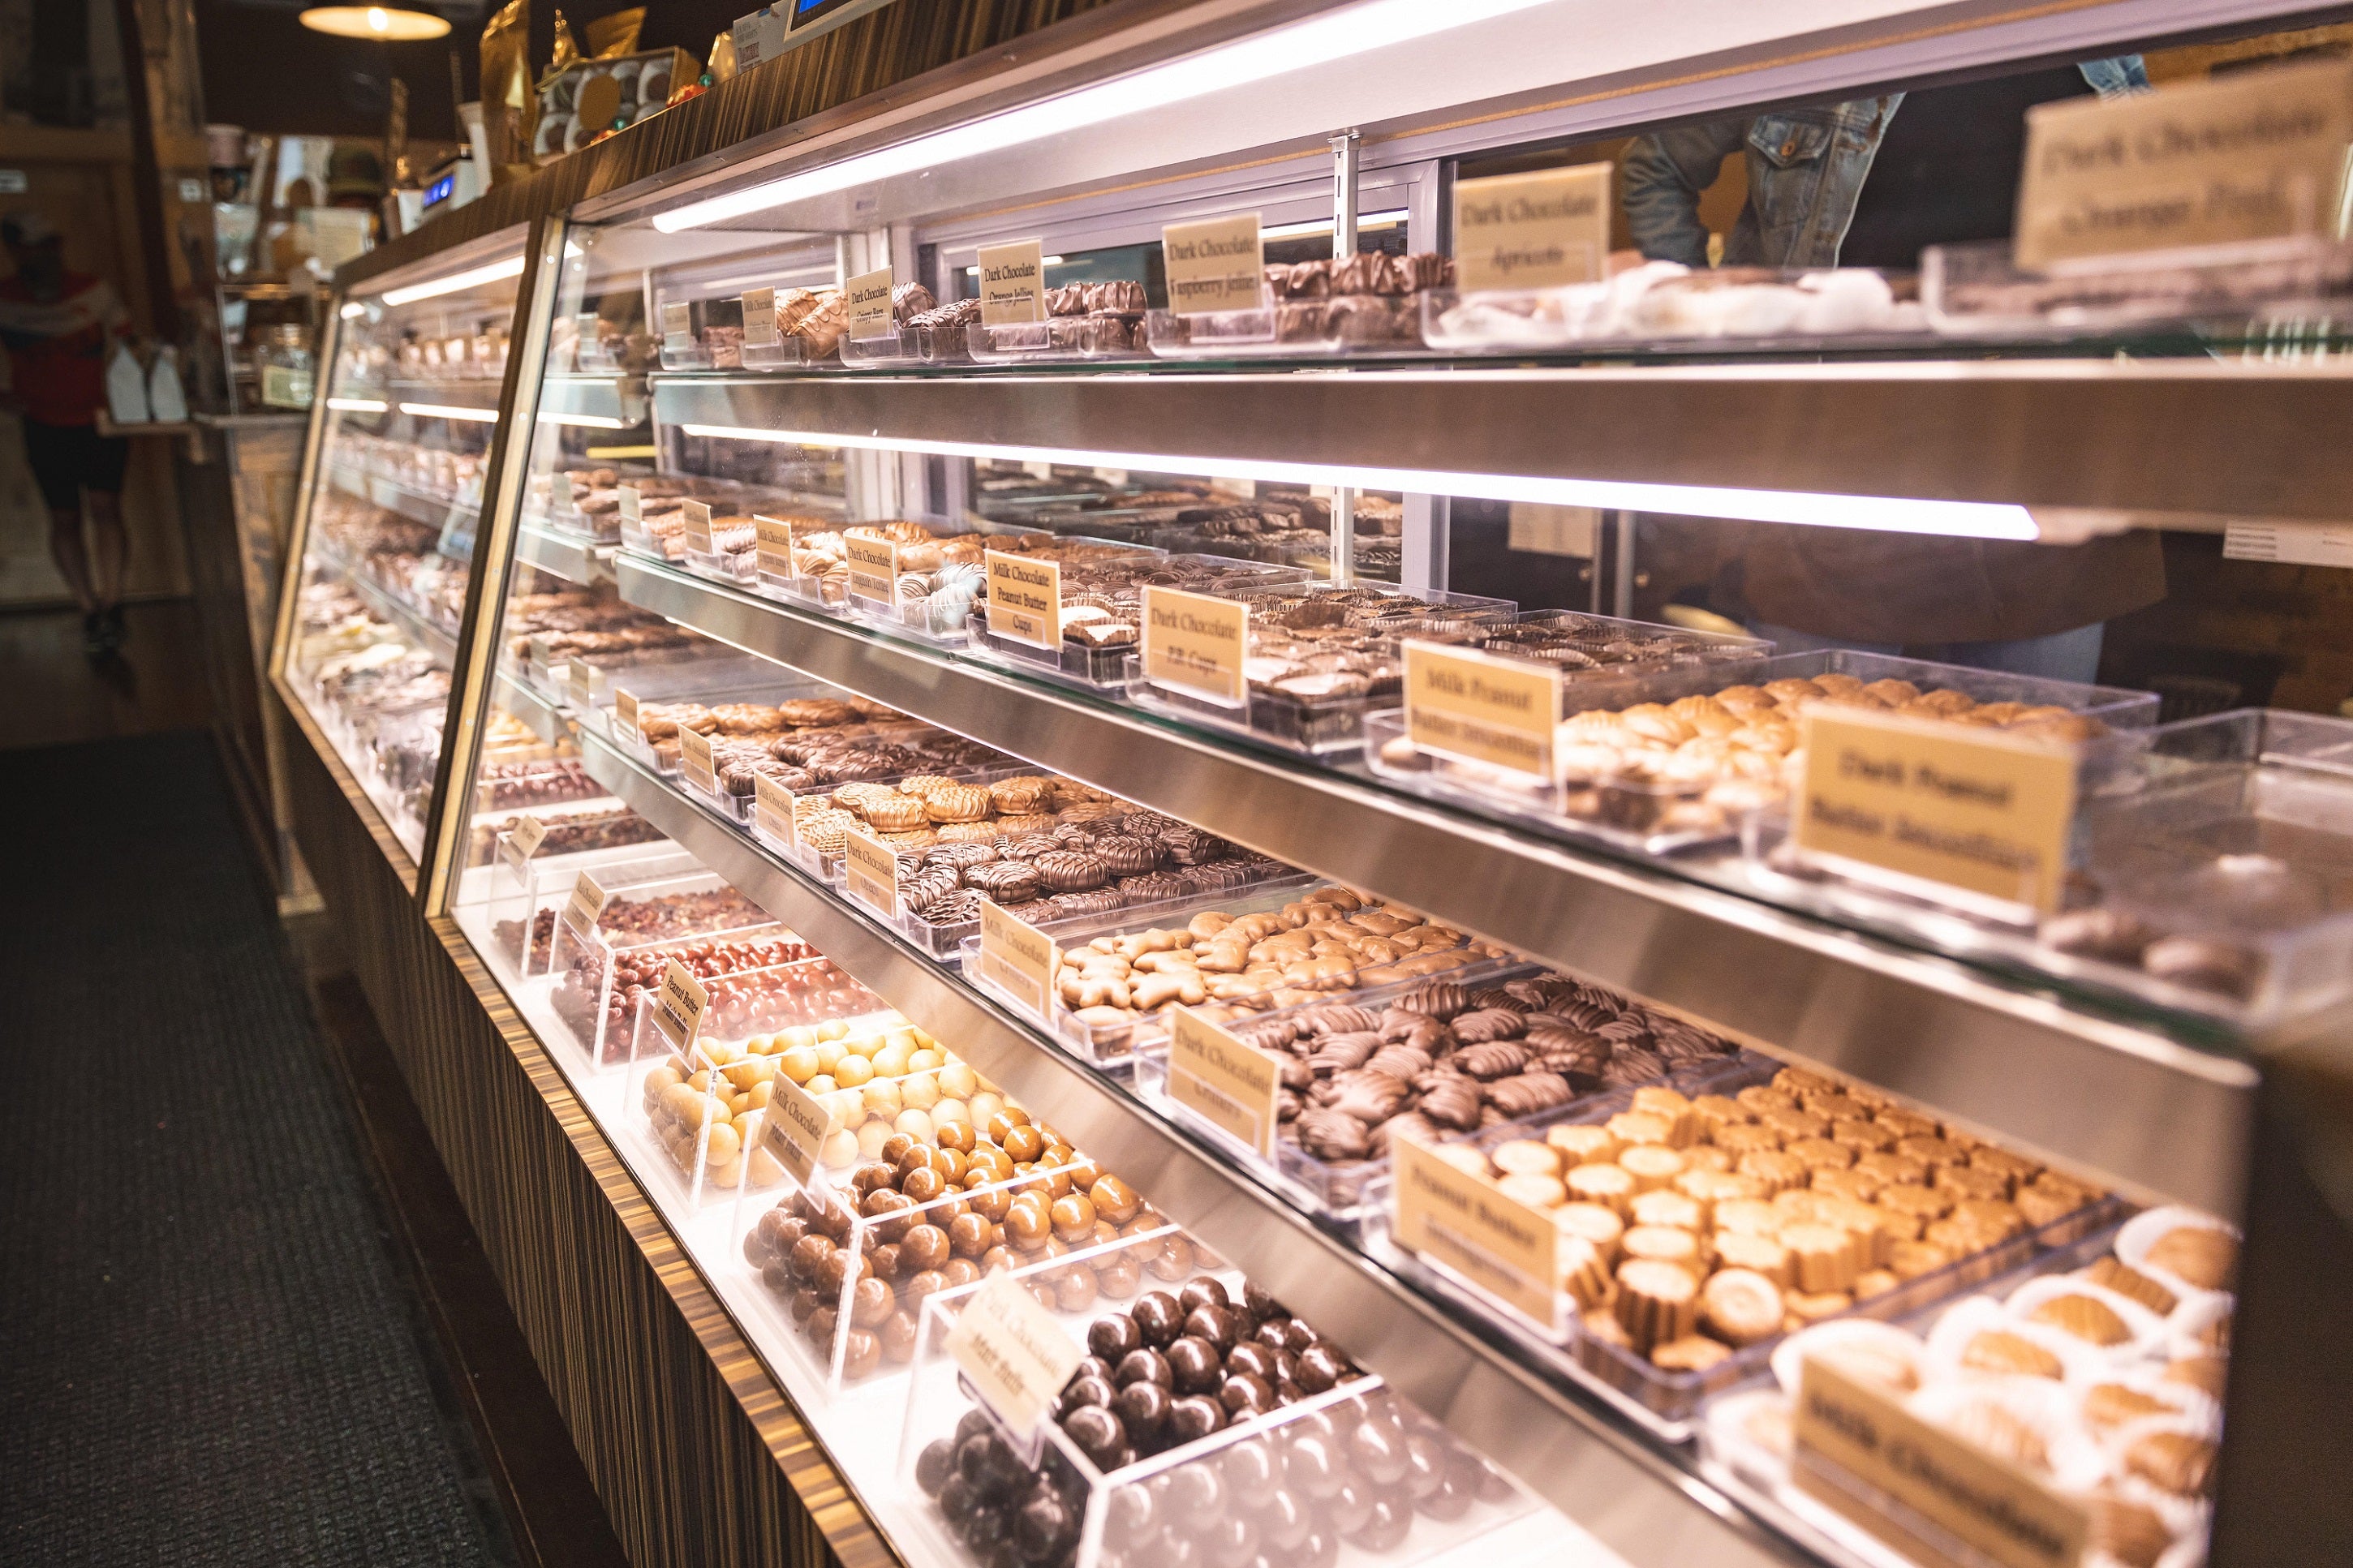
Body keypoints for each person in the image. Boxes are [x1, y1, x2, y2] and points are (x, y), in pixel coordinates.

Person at [1618, 59, 2160, 685]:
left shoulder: (2090, 37)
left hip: (2045, 470)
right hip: (1838, 476)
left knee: (2027, 767)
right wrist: (1702, 336)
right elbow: (1655, 163)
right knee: (1812, 763)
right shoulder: (1812, 26)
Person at [0, 208, 134, 656]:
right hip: (43, 423)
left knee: (105, 507)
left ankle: (113, 604)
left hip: (99, 419)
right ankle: (88, 608)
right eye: (22, 251)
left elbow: (131, 342)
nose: (32, 258)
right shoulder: (6, 299)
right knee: (65, 518)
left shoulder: (94, 292)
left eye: (41, 248)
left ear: (55, 248)